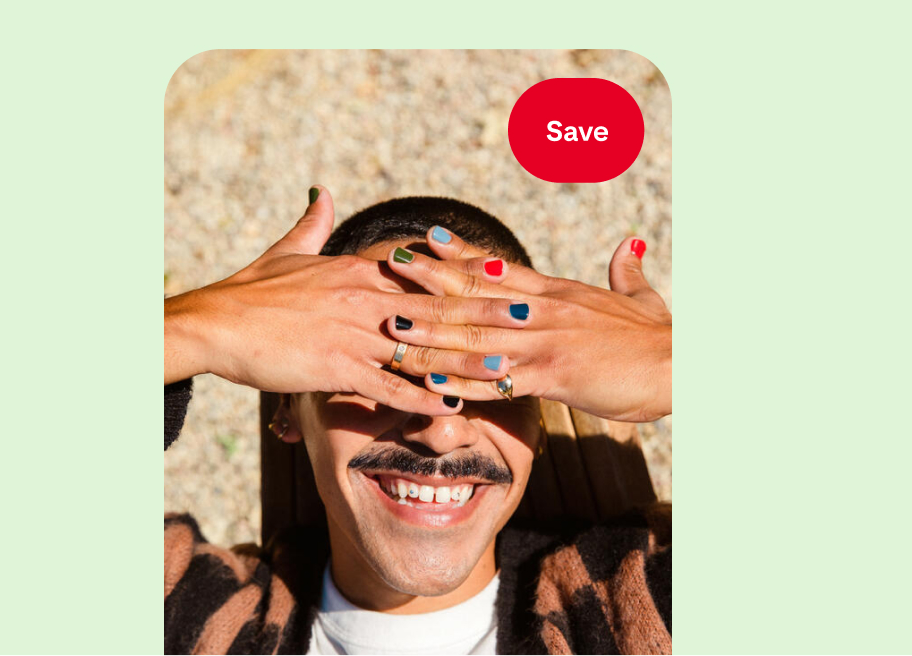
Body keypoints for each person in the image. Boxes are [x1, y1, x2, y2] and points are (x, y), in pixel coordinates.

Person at [164, 189, 672, 655]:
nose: (441, 430)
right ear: (289, 405)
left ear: (538, 425)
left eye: (494, 376)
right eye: (385, 367)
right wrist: (196, 328)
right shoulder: (192, 620)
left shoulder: (644, 596)